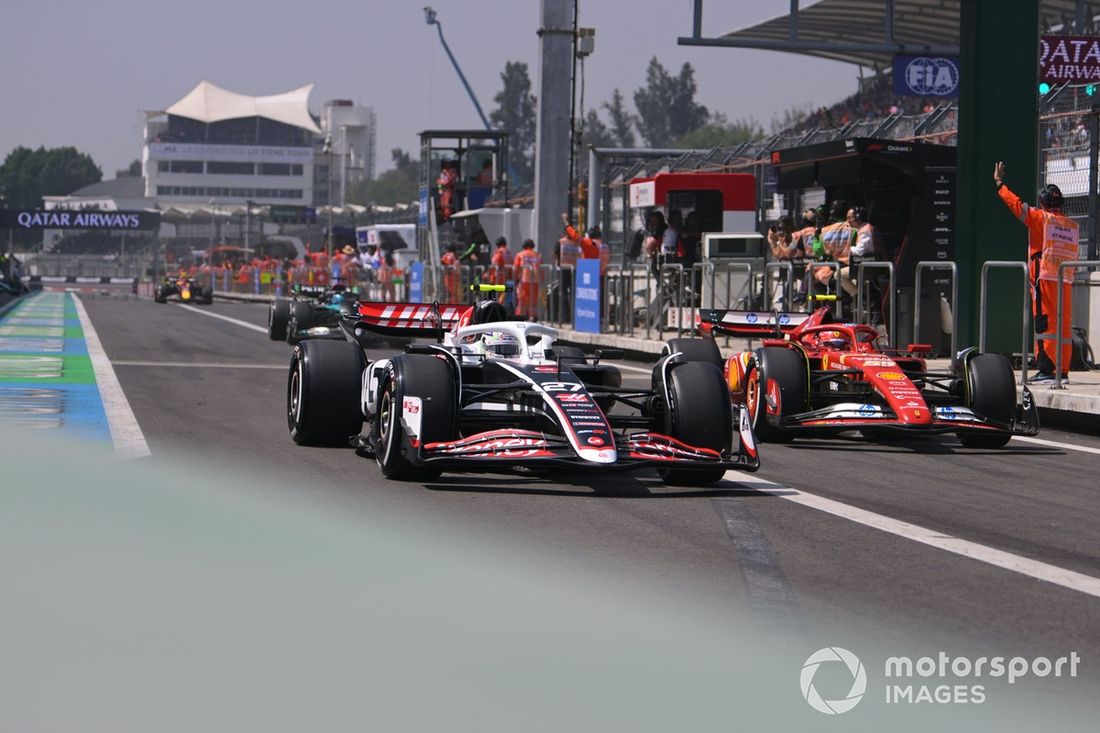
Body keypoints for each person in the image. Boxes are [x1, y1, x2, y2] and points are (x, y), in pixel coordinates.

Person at [995, 160, 1078, 382]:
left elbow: (1017, 206)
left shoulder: (1041, 218)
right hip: (1065, 279)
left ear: (1043, 202)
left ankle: (1046, 369)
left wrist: (1000, 183)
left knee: (1044, 322)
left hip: (1044, 277)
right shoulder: (1069, 224)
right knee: (1062, 324)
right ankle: (1062, 369)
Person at [838, 206, 878, 299]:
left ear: (858, 217)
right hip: (863, 264)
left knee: (838, 274)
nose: (847, 221)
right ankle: (860, 301)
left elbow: (859, 251)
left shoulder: (865, 230)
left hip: (869, 266)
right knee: (854, 281)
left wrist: (846, 249)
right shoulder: (861, 229)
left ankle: (860, 297)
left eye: (849, 218)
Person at [513, 238, 542, 320]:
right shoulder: (537, 255)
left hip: (524, 281)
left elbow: (516, 268)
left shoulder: (520, 255)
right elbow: (541, 269)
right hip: (535, 281)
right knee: (533, 300)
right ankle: (533, 316)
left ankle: (521, 317)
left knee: (522, 300)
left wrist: (515, 279)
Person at [489, 236, 512, 304]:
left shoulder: (499, 251)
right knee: (504, 292)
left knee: (497, 294)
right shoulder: (508, 252)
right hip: (507, 275)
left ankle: (498, 306)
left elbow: (495, 262)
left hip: (499, 275)